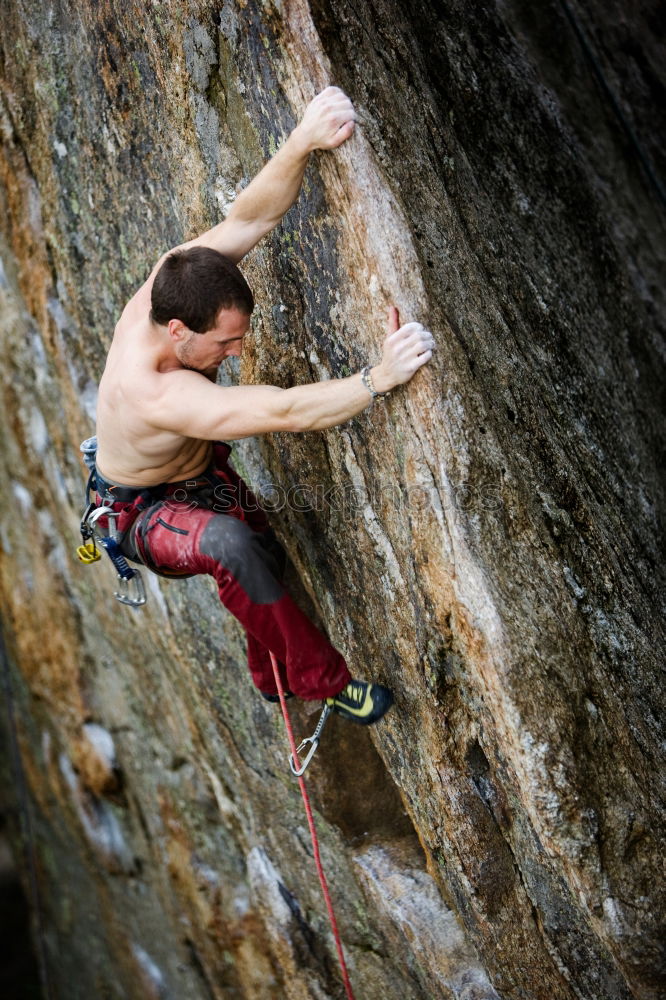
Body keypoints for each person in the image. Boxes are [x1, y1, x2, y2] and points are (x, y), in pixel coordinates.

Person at [92, 87, 435, 725]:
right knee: (228, 542)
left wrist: (303, 138)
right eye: (226, 344)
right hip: (143, 512)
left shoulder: (178, 281)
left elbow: (248, 219)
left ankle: (270, 676)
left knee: (262, 552)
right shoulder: (157, 390)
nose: (237, 353)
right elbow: (282, 411)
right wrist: (378, 377)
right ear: (178, 333)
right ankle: (323, 682)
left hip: (195, 474)